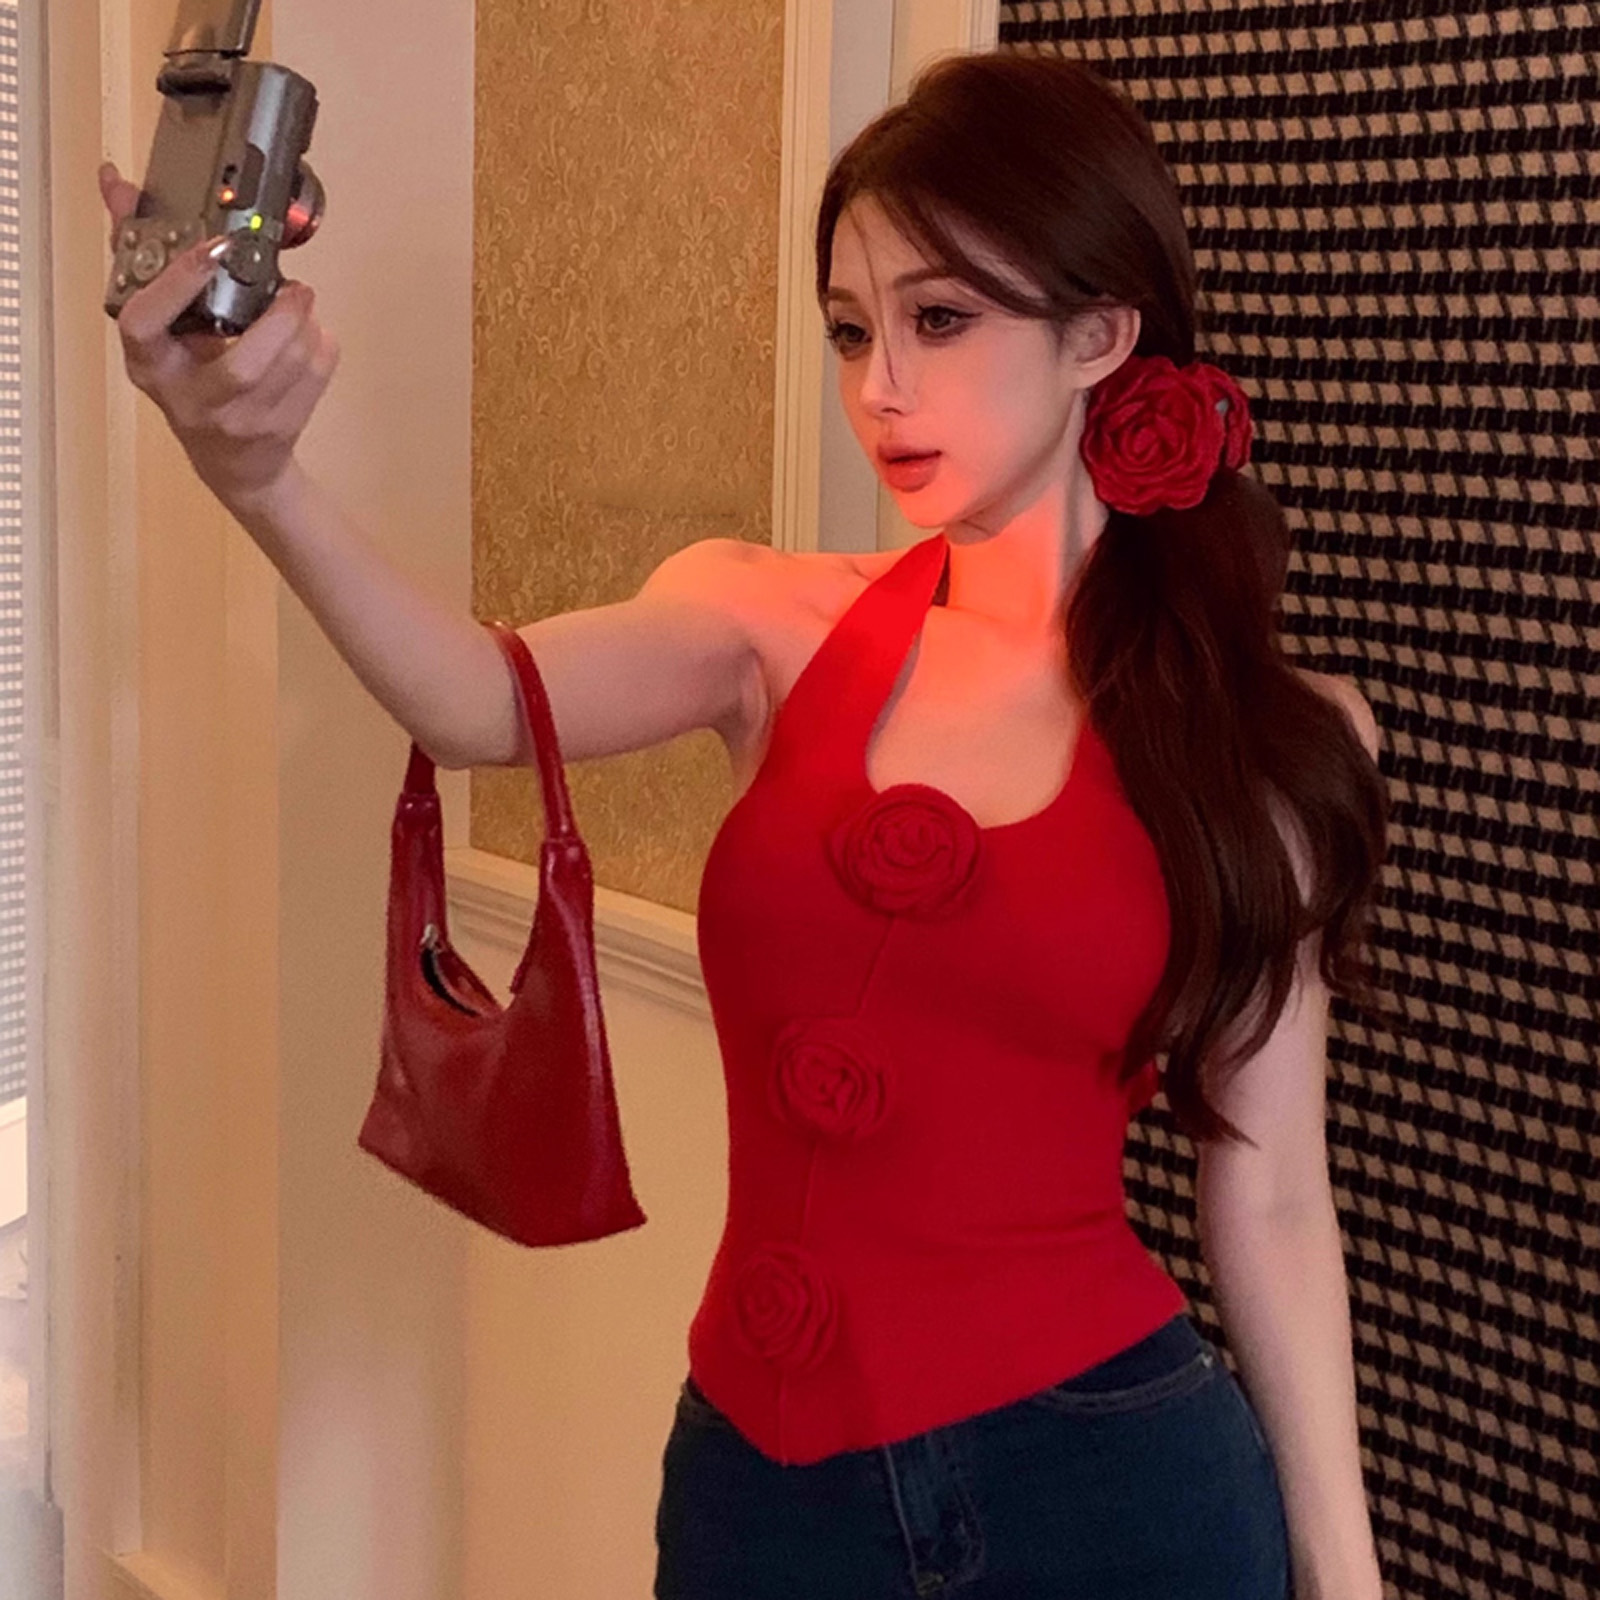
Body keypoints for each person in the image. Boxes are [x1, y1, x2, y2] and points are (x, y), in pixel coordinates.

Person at [103, 45, 1391, 1600]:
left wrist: (1348, 1577)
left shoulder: (1269, 736)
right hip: (764, 1497)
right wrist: (256, 474)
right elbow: (476, 704)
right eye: (851, 329)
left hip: (1115, 1486)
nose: (878, 388)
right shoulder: (765, 622)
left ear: (1099, 336)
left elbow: (1273, 1193)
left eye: (938, 320)